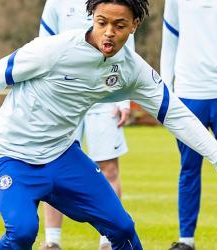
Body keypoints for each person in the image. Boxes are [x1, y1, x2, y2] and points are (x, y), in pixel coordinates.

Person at [0, 0, 217, 249]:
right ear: (92, 18)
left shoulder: (132, 70)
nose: (108, 32)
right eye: (101, 22)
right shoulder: (54, 50)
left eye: (119, 25)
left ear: (135, 26)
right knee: (22, 231)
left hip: (62, 156)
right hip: (11, 155)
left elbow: (176, 114)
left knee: (122, 228)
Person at [37, 0, 135, 249]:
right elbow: (42, 46)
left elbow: (128, 50)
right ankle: (52, 241)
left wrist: (124, 101)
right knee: (52, 167)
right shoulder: (56, 3)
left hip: (105, 96)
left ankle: (107, 240)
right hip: (63, 98)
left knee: (109, 169)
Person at [159, 0, 217, 249]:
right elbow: (169, 40)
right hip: (188, 93)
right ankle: (186, 241)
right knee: (188, 168)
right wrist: (166, 90)